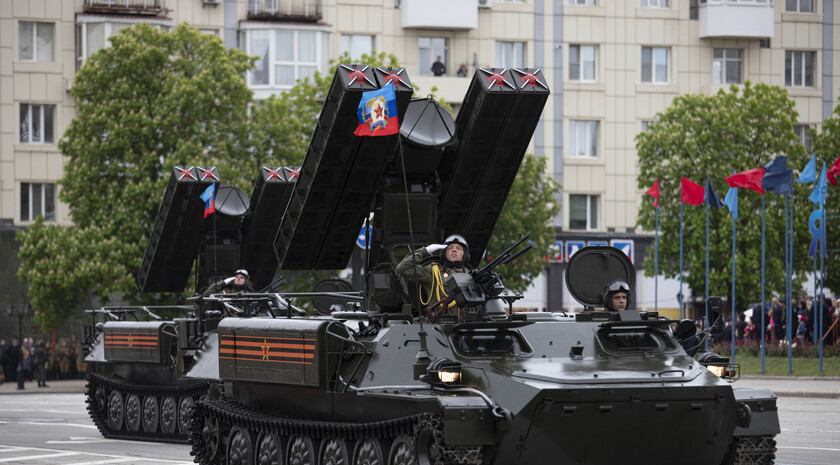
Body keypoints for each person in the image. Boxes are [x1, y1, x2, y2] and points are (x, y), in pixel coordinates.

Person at [396, 234, 471, 319]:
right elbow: (403, 268)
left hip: (466, 326)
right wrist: (425, 251)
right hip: (438, 325)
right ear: (444, 252)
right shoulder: (433, 272)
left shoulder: (471, 276)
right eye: (450, 248)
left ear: (464, 253)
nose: (454, 250)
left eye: (458, 248)